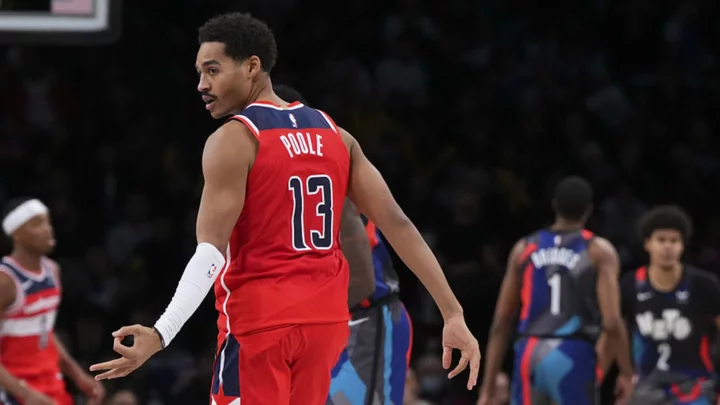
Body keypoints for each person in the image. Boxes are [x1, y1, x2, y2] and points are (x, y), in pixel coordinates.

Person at [90, 12, 480, 405]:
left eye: (212, 70)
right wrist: (452, 313)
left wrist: (161, 333)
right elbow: (398, 224)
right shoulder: (336, 135)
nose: (202, 85)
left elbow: (209, 252)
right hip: (325, 325)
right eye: (199, 72)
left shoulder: (235, 138)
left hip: (261, 325)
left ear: (252, 66)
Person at [273, 83, 413, 405]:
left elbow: (362, 282)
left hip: (367, 319)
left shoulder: (326, 172)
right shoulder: (277, 182)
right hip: (328, 324)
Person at [478, 176, 634, 405]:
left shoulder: (524, 248)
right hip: (573, 350)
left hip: (530, 351)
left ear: (554, 206)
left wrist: (488, 387)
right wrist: (627, 373)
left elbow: (501, 322)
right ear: (589, 210)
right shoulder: (598, 251)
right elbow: (611, 322)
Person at [0, 198, 105, 405]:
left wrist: (77, 374)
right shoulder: (5, 281)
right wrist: (26, 394)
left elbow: (45, 331)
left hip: (50, 381)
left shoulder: (53, 271)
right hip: (13, 388)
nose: (48, 229)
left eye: (48, 222)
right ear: (17, 234)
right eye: (37, 224)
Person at [619, 205, 720, 404]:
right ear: (647, 243)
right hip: (645, 389)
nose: (668, 247)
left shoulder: (704, 284)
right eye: (661, 240)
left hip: (695, 387)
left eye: (674, 241)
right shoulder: (629, 284)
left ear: (682, 246)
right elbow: (614, 332)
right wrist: (623, 375)